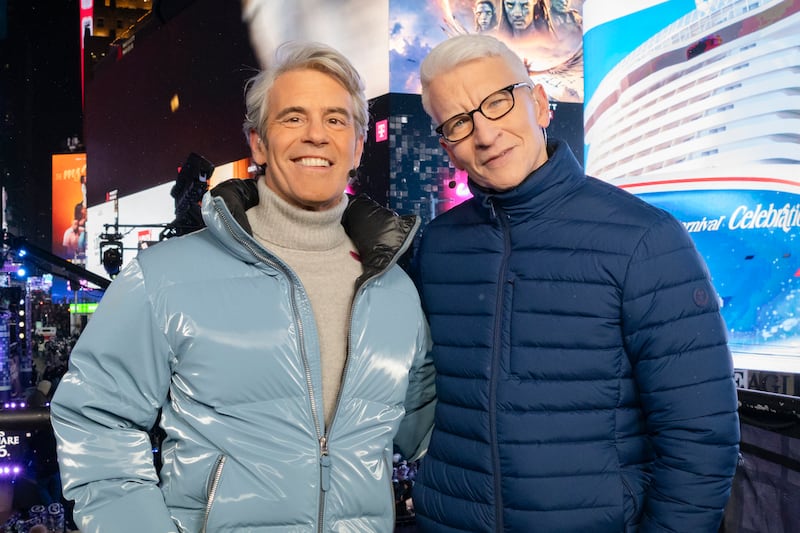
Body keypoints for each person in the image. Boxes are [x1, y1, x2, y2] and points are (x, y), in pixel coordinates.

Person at [50, 41, 435, 533]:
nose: (317, 135)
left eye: (336, 120)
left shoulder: (395, 289)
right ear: (257, 143)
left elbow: (432, 427)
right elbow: (95, 419)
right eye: (293, 118)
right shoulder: (165, 276)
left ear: (358, 146)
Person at [412, 34, 740, 532]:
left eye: (497, 103)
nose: (485, 133)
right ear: (446, 146)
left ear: (539, 103)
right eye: (458, 122)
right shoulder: (436, 248)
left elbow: (700, 438)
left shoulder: (643, 239)